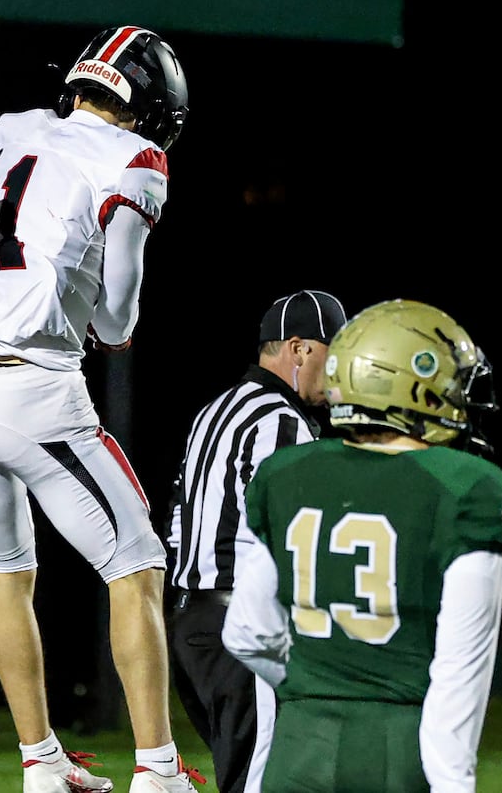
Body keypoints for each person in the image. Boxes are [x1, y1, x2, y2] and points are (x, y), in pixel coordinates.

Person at [0, 25, 203, 793]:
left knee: (7, 576)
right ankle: (157, 768)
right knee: (138, 562)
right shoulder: (136, 160)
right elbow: (116, 324)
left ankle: (41, 761)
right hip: (34, 389)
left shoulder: (11, 128)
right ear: (152, 103)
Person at [221, 298, 502, 793]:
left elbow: (247, 633)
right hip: (397, 749)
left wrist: (315, 682)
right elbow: (458, 671)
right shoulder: (467, 488)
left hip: (298, 749)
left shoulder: (284, 473)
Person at [165, 289, 347, 792]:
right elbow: (295, 539)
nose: (337, 379)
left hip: (189, 624)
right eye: (334, 358)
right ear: (300, 349)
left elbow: (181, 522)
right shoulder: (282, 421)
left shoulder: (214, 410)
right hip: (244, 629)